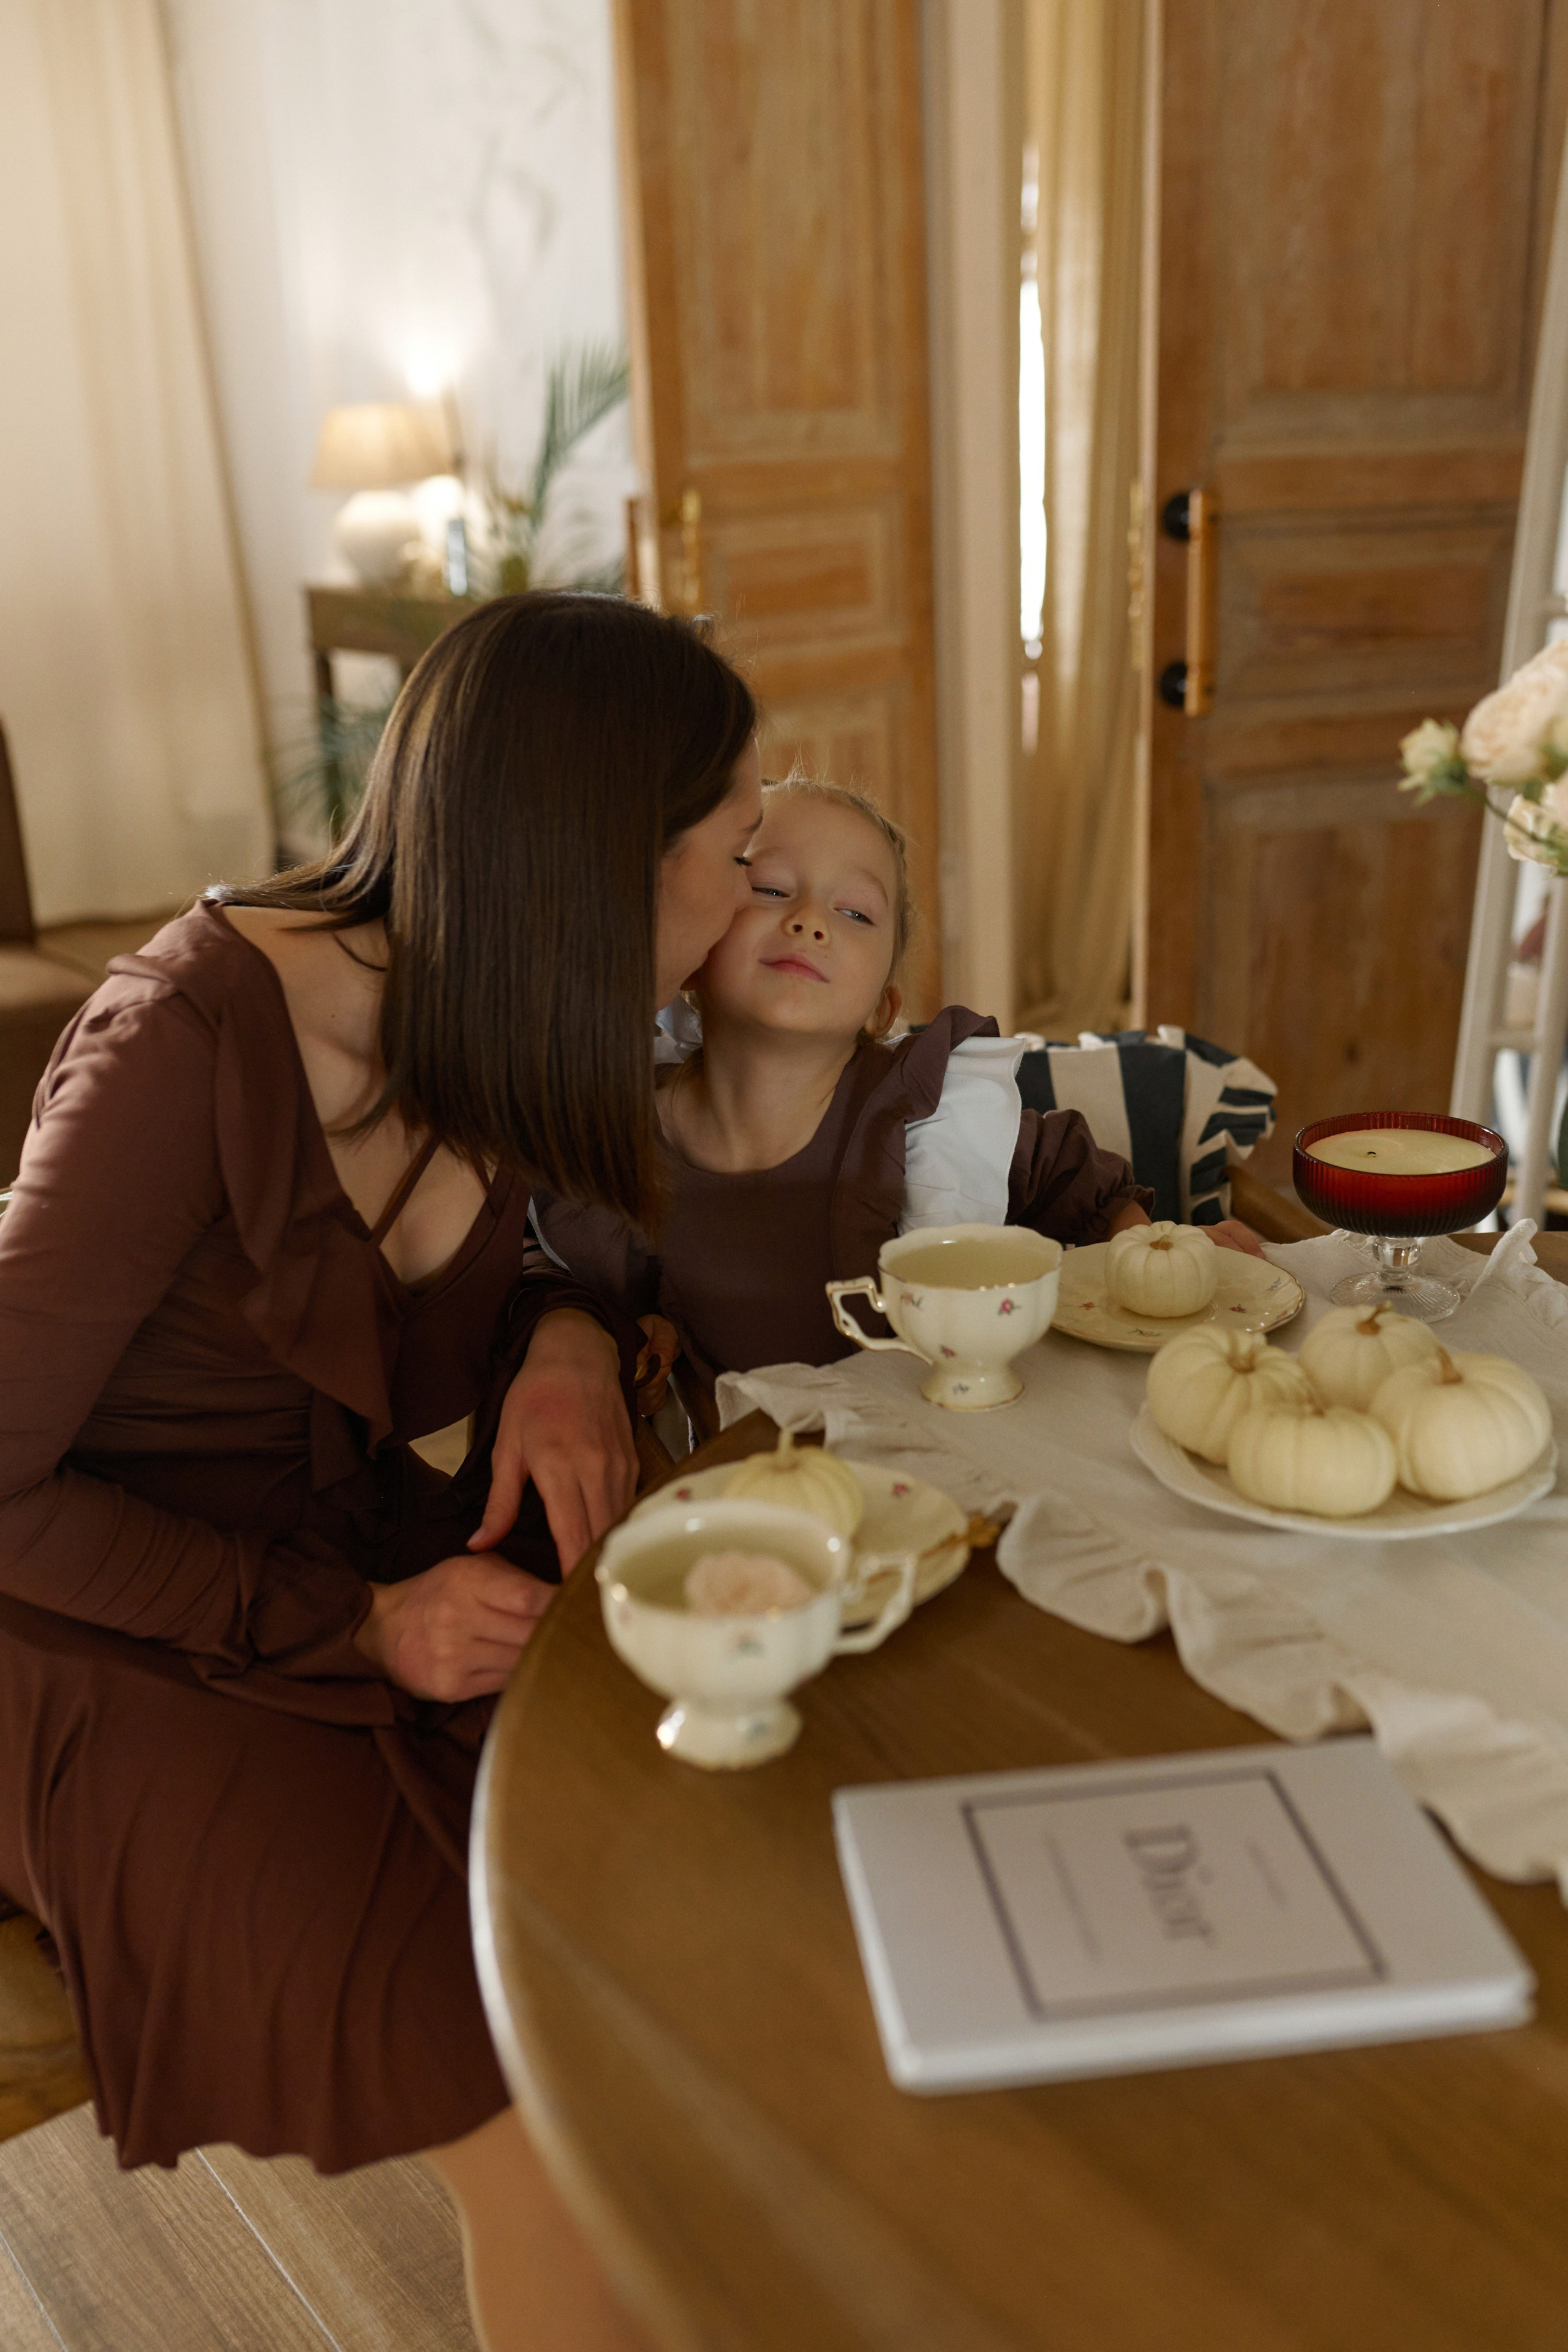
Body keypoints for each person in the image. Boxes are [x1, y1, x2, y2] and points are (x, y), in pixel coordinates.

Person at [0, 592, 766, 2352]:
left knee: (687, 1883)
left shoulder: (493, 1010)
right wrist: (359, 1627)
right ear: (599, 868)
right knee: (532, 2096)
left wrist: (562, 1340)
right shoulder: (181, 1050)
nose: (749, 902)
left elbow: (550, 1247)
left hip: (359, 1559)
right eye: (732, 851)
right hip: (119, 1633)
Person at [537, 778, 1264, 1414]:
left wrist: (1146, 1250)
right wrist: (622, 1335)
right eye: (770, 889)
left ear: (882, 1011)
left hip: (938, 1454)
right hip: (767, 1489)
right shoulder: (623, 1138)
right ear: (693, 953)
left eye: (855, 912)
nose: (810, 919)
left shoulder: (926, 1113)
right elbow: (593, 1300)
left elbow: (1078, 1178)